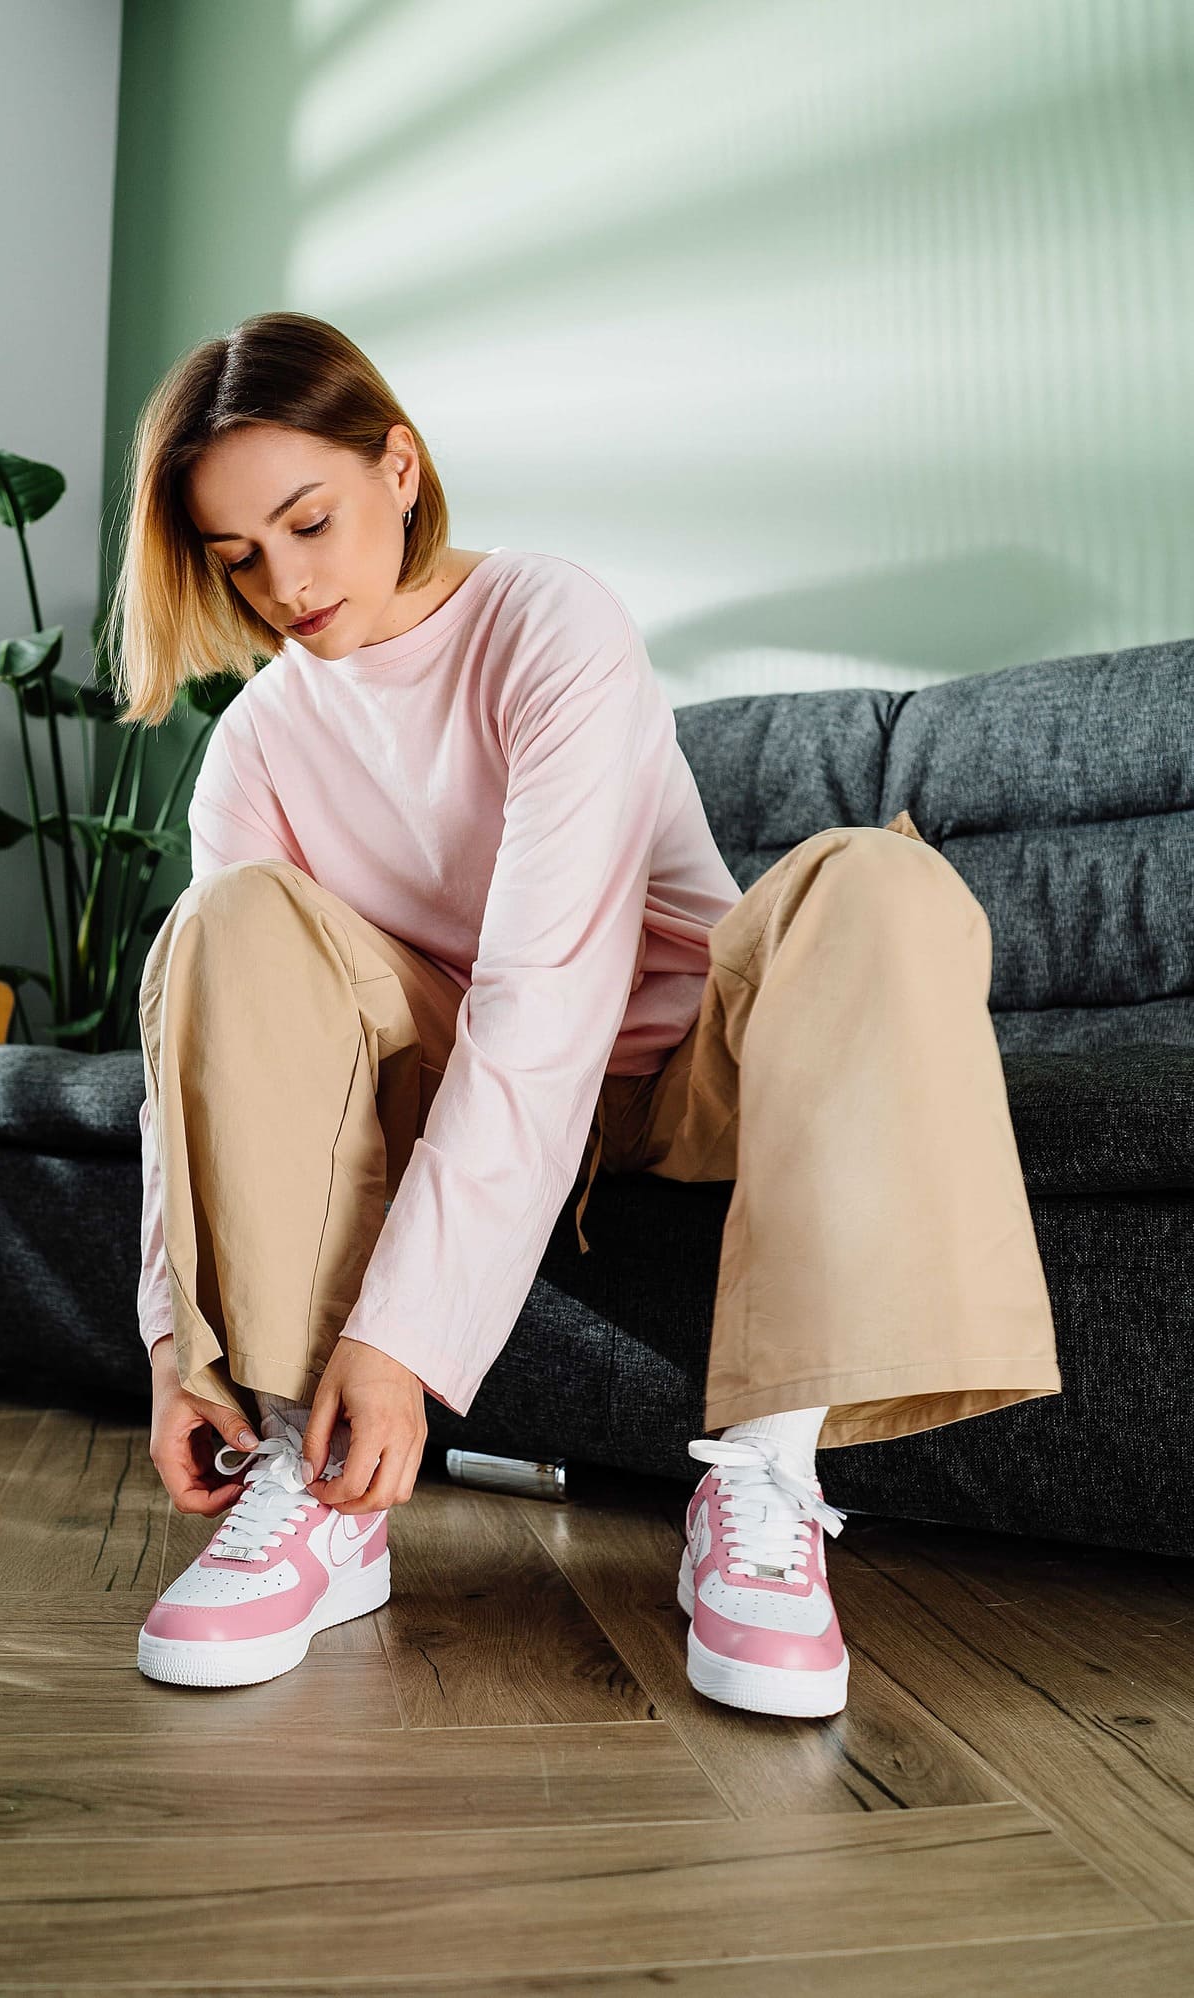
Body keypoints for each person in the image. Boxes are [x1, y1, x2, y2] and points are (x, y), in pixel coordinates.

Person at [107, 310, 1063, 1715]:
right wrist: (169, 1344)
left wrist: (408, 1338)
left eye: (308, 523)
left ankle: (766, 1485)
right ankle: (318, 1485)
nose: (283, 586)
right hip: (435, 1079)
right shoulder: (253, 744)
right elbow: (193, 1049)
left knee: (885, 884)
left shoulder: (547, 620)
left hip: (684, 1067)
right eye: (237, 557)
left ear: (400, 468)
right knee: (222, 920)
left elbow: (546, 986)